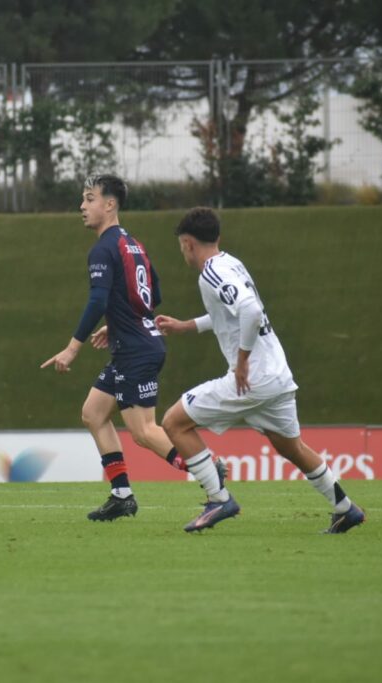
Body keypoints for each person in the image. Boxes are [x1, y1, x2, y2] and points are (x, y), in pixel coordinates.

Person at [156, 207, 366, 533]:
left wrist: (241, 361)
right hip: (277, 375)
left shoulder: (210, 272)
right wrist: (187, 326)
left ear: (187, 244)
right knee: (289, 447)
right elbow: (235, 313)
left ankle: (218, 499)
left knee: (174, 422)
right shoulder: (231, 262)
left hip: (253, 377)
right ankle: (345, 508)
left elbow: (251, 312)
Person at [41, 175, 224, 522]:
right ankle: (122, 495)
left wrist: (72, 349)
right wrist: (120, 321)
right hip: (138, 341)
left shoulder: (103, 248)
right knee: (94, 413)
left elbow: (97, 300)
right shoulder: (133, 244)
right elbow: (151, 294)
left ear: (110, 204)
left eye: (89, 198)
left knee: (143, 431)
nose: (83, 206)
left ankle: (209, 469)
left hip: (136, 350)